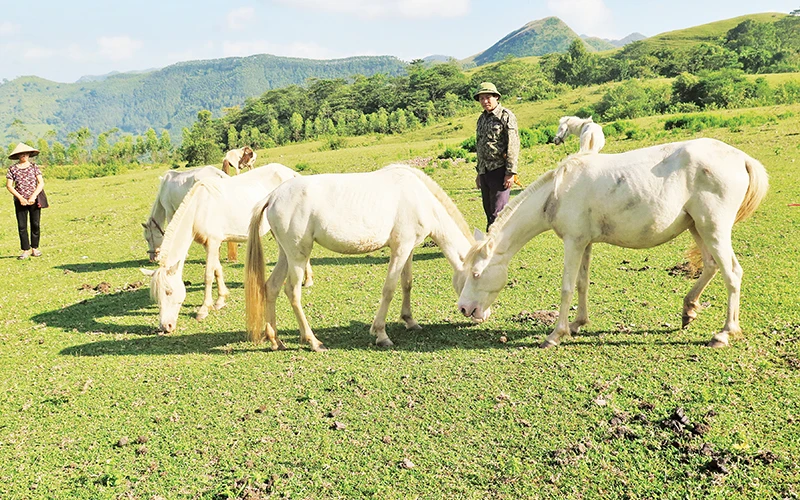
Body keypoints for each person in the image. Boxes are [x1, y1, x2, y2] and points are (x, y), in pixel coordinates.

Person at [474, 82, 520, 231]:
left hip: (500, 170)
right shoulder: (482, 119)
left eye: (488, 97)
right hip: (485, 171)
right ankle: (492, 243)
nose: (485, 101)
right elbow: (480, 145)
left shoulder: (505, 116)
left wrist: (510, 173)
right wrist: (479, 173)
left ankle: (495, 247)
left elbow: (513, 145)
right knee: (488, 211)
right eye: (481, 98)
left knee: (497, 213)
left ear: (496, 97)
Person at [6, 143, 45, 259]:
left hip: (34, 199)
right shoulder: (12, 169)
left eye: (26, 154)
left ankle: (35, 248)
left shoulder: (34, 167)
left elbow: (41, 183)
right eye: (21, 154)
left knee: (35, 224)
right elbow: (9, 186)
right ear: (18, 156)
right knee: (22, 226)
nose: (24, 156)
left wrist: (33, 196)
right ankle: (25, 250)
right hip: (20, 201)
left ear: (29, 154)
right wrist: (21, 198)